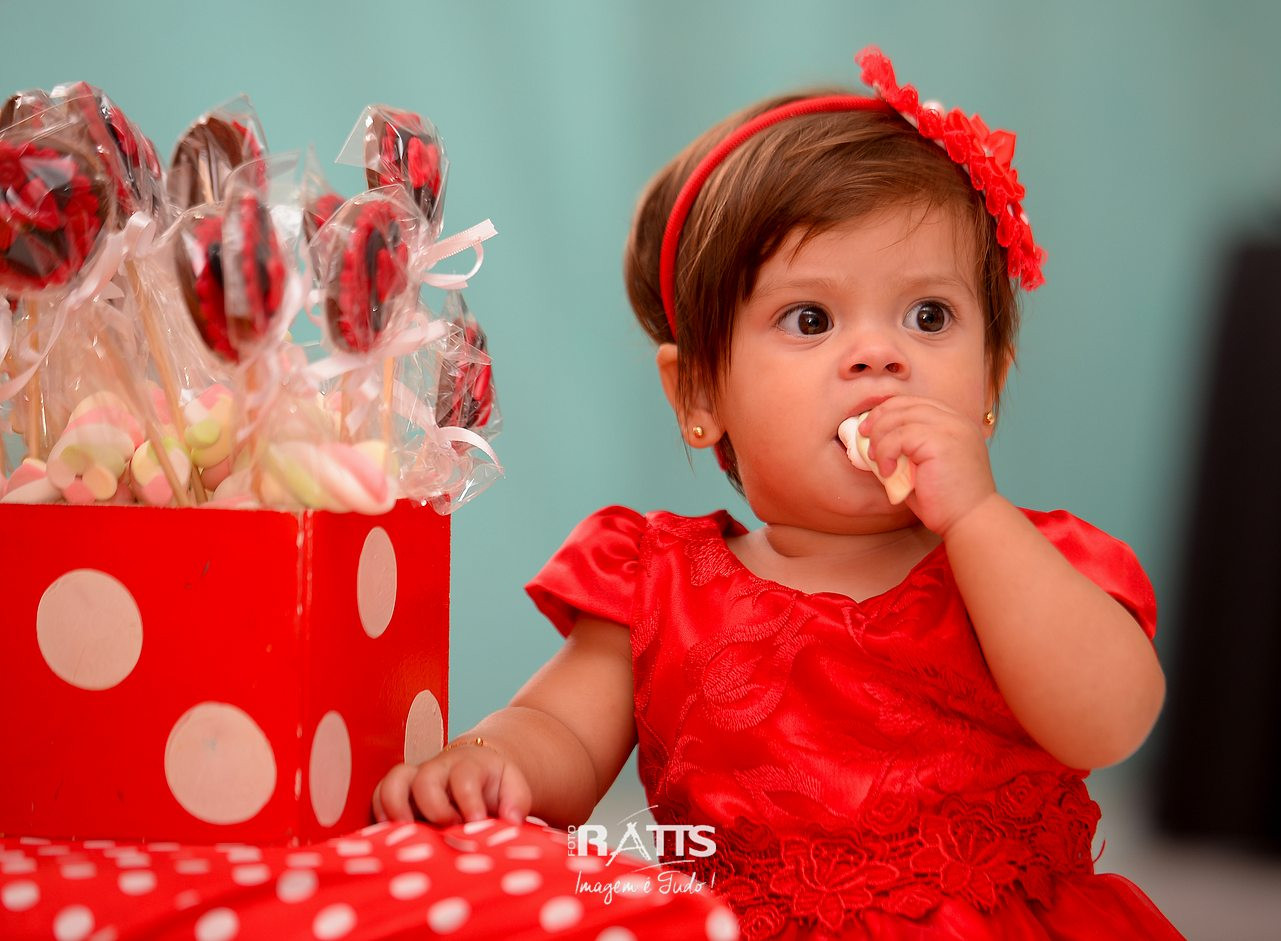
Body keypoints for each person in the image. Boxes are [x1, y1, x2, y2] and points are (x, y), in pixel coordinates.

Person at [375, 45, 1185, 939]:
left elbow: (1110, 723)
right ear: (699, 395)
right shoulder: (655, 583)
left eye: (929, 316)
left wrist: (977, 517)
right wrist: (494, 760)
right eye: (811, 319)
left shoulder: (1024, 564)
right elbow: (558, 730)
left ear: (990, 378)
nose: (879, 355)